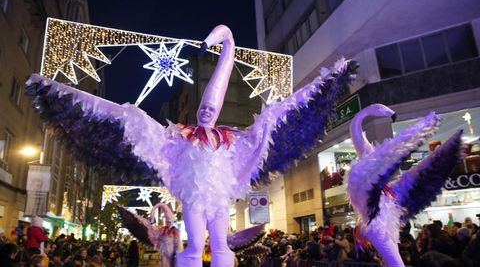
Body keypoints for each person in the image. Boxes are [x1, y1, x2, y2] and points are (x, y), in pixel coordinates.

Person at [25, 24, 356, 266]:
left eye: (213, 108)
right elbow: (123, 118)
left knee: (223, 248)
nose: (208, 110)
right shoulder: (177, 137)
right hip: (195, 201)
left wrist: (330, 78)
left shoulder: (234, 141)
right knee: (195, 247)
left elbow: (284, 110)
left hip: (219, 199)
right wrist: (54, 91)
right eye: (204, 108)